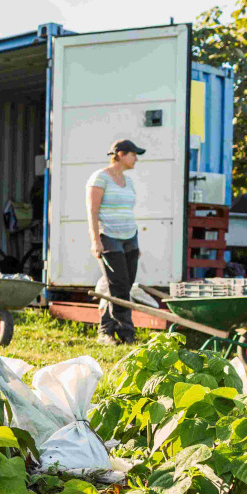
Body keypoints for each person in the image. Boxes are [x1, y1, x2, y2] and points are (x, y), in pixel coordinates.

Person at [87, 139, 145, 345]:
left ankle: (106, 331)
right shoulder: (100, 178)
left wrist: (135, 243)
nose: (136, 159)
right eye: (133, 154)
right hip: (109, 238)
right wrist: (96, 240)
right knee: (118, 286)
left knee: (123, 287)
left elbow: (128, 210)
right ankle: (126, 334)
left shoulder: (128, 181)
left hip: (130, 237)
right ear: (120, 154)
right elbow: (92, 211)